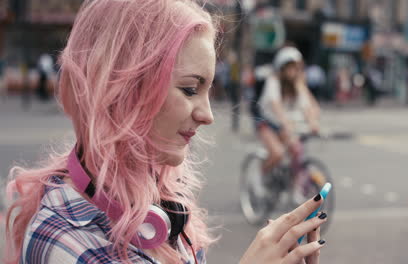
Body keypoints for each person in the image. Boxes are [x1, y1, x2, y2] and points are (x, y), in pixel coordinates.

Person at [4, 1, 328, 264]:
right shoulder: (65, 240)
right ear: (125, 87)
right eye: (189, 89)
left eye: (208, 90)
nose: (208, 115)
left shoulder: (160, 192)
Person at [254, 46, 321, 199]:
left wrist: (313, 122)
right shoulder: (273, 81)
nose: (293, 71)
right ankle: (259, 179)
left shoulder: (298, 84)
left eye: (295, 68)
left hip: (286, 127)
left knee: (297, 151)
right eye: (289, 68)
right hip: (268, 123)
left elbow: (307, 106)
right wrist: (286, 122)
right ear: (282, 68)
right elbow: (275, 105)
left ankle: (295, 188)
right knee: (277, 153)